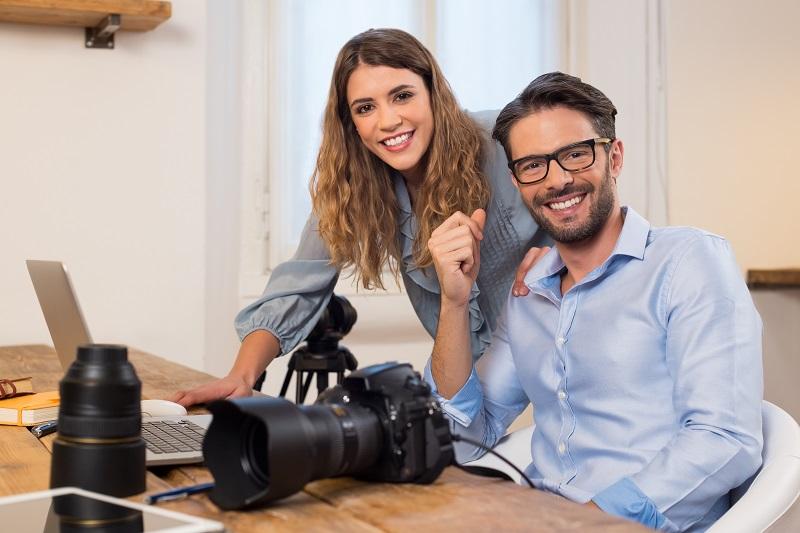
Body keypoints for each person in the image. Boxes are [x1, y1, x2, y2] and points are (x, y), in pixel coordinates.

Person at [425, 72, 763, 532]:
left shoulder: (687, 262)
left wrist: (580, 524)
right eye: (534, 165)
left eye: (576, 155)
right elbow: (464, 437)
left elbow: (725, 438)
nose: (558, 180)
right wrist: (454, 303)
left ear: (615, 156)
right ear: (517, 180)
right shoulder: (529, 294)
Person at [172, 28, 550, 407]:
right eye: (365, 107)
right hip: (477, 368)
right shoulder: (352, 186)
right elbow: (298, 285)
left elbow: (582, 195)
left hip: (566, 339)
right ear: (350, 122)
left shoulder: (506, 137)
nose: (388, 121)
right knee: (445, 450)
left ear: (433, 92)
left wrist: (558, 256)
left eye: (402, 96)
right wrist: (241, 375)